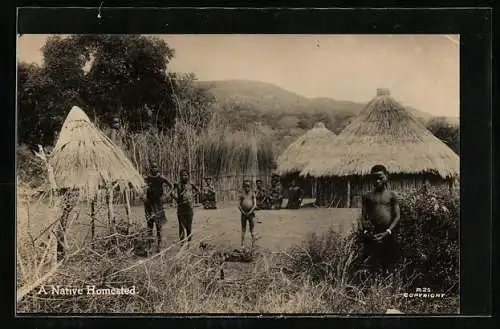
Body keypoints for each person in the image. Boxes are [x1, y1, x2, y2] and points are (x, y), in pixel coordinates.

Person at [360, 164, 402, 274]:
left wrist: (388, 232)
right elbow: (364, 216)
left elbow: (397, 216)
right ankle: (373, 286)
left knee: (389, 262)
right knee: (372, 262)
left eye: (380, 177)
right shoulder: (367, 196)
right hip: (372, 234)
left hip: (388, 233)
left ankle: (388, 285)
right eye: (374, 178)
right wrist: (366, 231)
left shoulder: (392, 195)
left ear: (386, 177)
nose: (378, 180)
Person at [143, 163, 173, 252]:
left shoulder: (162, 178)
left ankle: (159, 245)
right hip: (149, 205)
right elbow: (139, 185)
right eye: (152, 167)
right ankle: (148, 246)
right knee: (149, 225)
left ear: (158, 168)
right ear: (150, 168)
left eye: (155, 167)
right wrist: (143, 196)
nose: (154, 168)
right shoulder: (147, 178)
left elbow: (171, 186)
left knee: (159, 226)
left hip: (158, 204)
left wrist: (167, 195)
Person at [171, 169, 200, 245]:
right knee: (181, 225)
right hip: (181, 208)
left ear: (188, 176)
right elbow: (171, 192)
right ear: (180, 176)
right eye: (183, 175)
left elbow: (198, 191)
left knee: (189, 226)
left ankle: (189, 241)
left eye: (186, 175)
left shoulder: (191, 184)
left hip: (189, 207)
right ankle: (182, 242)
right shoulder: (177, 184)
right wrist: (176, 198)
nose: (185, 176)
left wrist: (192, 196)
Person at [238, 180, 257, 249]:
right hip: (243, 214)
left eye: (248, 186)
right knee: (243, 229)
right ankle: (242, 244)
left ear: (250, 187)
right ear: (243, 187)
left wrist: (249, 212)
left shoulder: (252, 194)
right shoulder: (242, 194)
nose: (247, 188)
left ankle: (253, 244)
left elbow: (255, 205)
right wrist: (243, 212)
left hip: (251, 214)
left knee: (252, 230)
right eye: (245, 186)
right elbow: (239, 205)